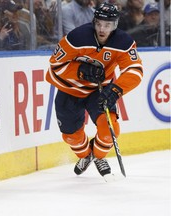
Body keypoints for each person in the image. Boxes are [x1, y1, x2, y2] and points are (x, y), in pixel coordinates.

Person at [45, 2, 143, 177]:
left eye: (107, 25)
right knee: (71, 137)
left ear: (116, 25)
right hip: (69, 90)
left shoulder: (123, 42)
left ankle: (98, 156)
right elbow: (55, 65)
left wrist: (115, 90)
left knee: (110, 130)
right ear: (94, 21)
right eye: (98, 23)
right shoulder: (76, 38)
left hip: (99, 90)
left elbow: (135, 70)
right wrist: (79, 71)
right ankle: (86, 155)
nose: (102, 29)